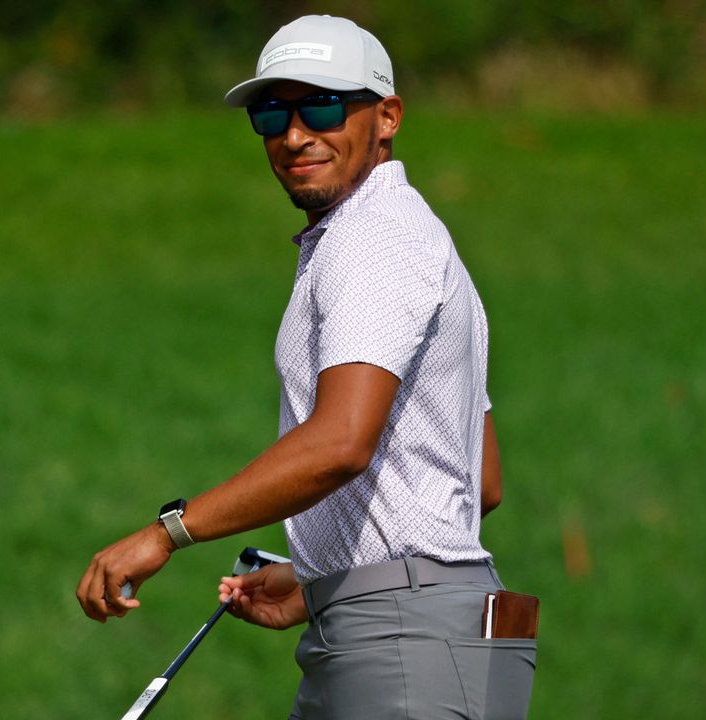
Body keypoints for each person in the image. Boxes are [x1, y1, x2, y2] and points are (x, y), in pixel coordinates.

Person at [77, 14, 536, 719]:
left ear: (387, 118)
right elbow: (481, 482)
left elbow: (340, 443)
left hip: (404, 645)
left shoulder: (373, 238)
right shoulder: (405, 233)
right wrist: (324, 577)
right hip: (420, 632)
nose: (294, 135)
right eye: (272, 113)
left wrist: (166, 533)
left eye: (322, 105)